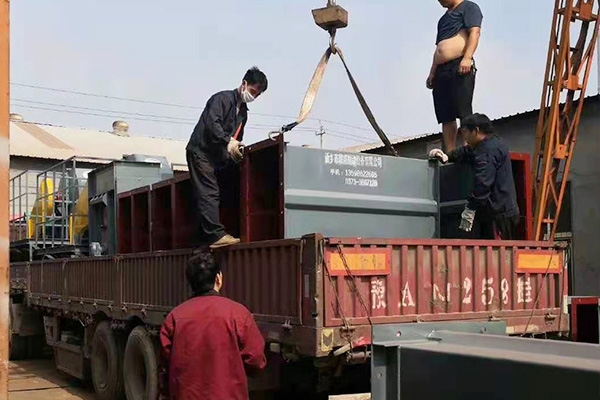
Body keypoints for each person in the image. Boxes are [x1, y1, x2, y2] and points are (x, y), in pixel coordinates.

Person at [159, 252, 267, 400]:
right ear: (218, 278)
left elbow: (165, 368)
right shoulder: (239, 314)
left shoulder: (174, 318)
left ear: (190, 282)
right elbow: (256, 360)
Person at [186, 67, 268, 249]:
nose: (254, 96)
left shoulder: (243, 113)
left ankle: (207, 234)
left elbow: (236, 138)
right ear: (244, 84)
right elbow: (211, 124)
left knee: (224, 190)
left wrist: (235, 149)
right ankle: (215, 236)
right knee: (209, 191)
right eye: (253, 91)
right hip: (201, 152)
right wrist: (227, 141)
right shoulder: (221, 99)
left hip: (215, 157)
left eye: (258, 95)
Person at [429, 113, 520, 240]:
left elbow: (483, 183)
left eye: (465, 132)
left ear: (476, 131)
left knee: (497, 254)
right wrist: (447, 156)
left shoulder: (488, 151)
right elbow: (466, 152)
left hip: (499, 214)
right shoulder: (488, 144)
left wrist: (470, 208)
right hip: (497, 212)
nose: (463, 136)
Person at [427, 0, 483, 152]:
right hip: (441, 69)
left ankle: (467, 148)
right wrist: (432, 72)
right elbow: (439, 47)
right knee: (446, 114)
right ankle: (450, 152)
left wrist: (467, 57)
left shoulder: (469, 7)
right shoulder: (443, 19)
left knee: (463, 110)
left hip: (459, 65)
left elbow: (475, 32)